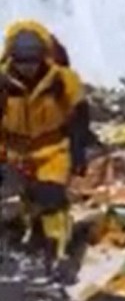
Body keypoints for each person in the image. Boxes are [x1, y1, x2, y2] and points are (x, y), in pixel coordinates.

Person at [0, 21, 91, 261]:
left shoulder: (62, 81)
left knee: (51, 196)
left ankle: (57, 249)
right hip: (11, 148)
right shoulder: (2, 84)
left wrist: (78, 151)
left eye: (32, 61)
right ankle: (25, 229)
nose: (27, 68)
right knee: (20, 193)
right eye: (21, 62)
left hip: (51, 148)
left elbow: (79, 116)